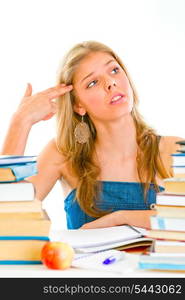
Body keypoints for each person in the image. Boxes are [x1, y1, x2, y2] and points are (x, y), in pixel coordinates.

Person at [0, 41, 183, 230]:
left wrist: (120, 219)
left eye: (114, 70)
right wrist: (20, 122)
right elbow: (6, 213)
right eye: (92, 82)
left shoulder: (173, 150)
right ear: (79, 105)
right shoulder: (62, 153)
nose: (111, 83)